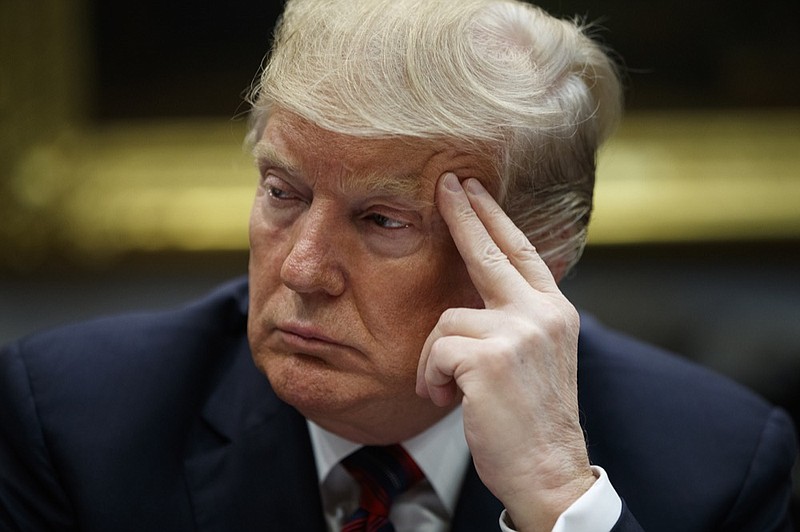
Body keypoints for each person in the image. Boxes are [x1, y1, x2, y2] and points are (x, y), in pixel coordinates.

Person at [1, 0, 796, 530]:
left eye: (383, 220)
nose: (304, 270)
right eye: (283, 192)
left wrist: (558, 505)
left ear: (537, 255)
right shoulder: (72, 424)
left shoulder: (720, 466)